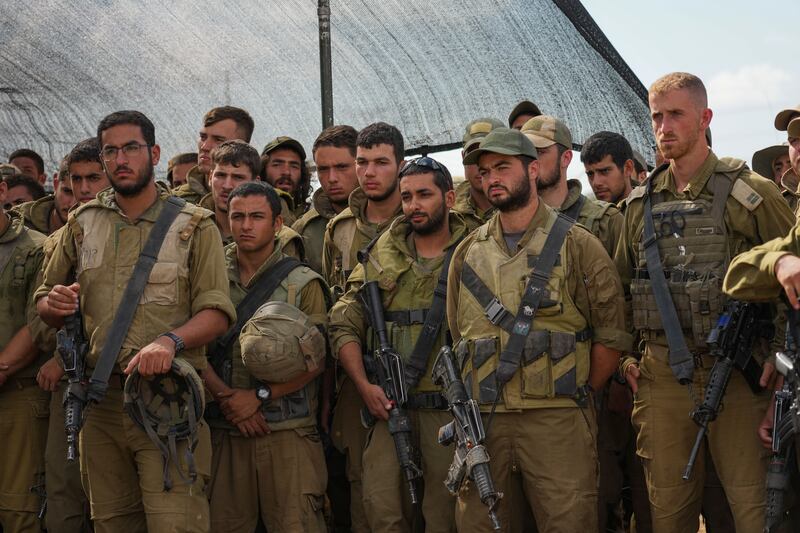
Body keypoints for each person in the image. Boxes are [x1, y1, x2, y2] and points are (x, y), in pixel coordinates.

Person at [35, 110, 236, 532]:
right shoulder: (82, 223)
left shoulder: (193, 226)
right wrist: (51, 304)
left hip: (166, 405)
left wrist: (170, 342)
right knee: (111, 524)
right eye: (111, 150)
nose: (120, 159)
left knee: (175, 524)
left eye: (131, 148)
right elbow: (44, 297)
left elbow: (217, 313)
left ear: (154, 153)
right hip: (100, 405)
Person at [615, 72, 794, 532]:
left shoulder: (750, 195)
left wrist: (777, 356)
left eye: (676, 114)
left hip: (738, 375)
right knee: (668, 515)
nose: (664, 127)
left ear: (705, 117)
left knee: (755, 511)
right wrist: (628, 364)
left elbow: (787, 274)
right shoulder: (639, 206)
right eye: (657, 116)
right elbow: (618, 291)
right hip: (662, 377)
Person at [448, 127, 629, 532]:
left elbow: (611, 336)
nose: (491, 177)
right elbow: (457, 333)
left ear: (532, 170)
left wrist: (574, 393)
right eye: (484, 170)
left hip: (558, 421)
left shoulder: (578, 245)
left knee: (568, 521)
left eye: (502, 167)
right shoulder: (468, 251)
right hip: (485, 422)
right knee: (482, 524)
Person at [329, 156, 469, 532]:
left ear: (450, 198)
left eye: (424, 194)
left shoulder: (474, 250)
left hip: (449, 414)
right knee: (382, 511)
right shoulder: (380, 254)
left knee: (446, 515)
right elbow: (344, 321)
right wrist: (364, 386)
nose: (414, 206)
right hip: (389, 407)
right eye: (407, 197)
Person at [202, 181, 330, 532]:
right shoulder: (208, 275)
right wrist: (229, 402)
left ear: (277, 224)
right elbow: (192, 347)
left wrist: (259, 396)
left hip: (288, 433)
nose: (245, 225)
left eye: (256, 217)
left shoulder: (304, 283)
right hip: (224, 431)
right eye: (237, 216)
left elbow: (318, 361)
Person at [322, 122, 405, 533]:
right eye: (363, 162)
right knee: (364, 490)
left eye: (381, 162)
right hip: (359, 379)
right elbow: (334, 308)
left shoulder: (426, 217)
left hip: (420, 372)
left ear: (400, 165)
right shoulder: (340, 230)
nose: (369, 172)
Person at [34, 137, 108, 533]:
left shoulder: (148, 234)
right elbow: (40, 308)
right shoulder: (61, 240)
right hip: (72, 382)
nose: (82, 190)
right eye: (75, 180)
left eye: (93, 178)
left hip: (122, 382)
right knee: (63, 485)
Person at [0, 175, 48, 532]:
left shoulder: (37, 247)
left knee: (20, 509)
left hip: (17, 393)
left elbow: (38, 324)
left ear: (2, 191)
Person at [520, 115, 623, 257]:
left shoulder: (605, 222)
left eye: (539, 152)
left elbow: (621, 278)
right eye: (526, 153)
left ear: (565, 158)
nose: (531, 161)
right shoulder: (509, 220)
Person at [293, 125, 360, 275]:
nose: (332, 178)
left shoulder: (383, 218)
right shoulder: (303, 229)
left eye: (341, 167)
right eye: (323, 169)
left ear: (361, 164)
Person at [172, 106, 256, 204]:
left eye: (218, 140)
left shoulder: (269, 204)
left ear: (241, 146)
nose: (204, 147)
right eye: (203, 137)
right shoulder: (175, 202)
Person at [453, 117, 503, 228]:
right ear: (463, 157)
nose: (481, 166)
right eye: (473, 155)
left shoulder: (526, 209)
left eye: (489, 154)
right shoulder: (448, 216)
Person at [14, 157, 76, 235]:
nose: (72, 204)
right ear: (56, 184)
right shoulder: (20, 221)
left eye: (82, 197)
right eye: (67, 192)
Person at [261, 136, 311, 218]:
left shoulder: (309, 214)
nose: (286, 172)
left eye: (294, 166)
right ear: (263, 169)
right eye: (277, 165)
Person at [580, 131, 637, 204]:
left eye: (604, 171)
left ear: (628, 168)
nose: (596, 183)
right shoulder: (585, 213)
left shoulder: (651, 210)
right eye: (590, 174)